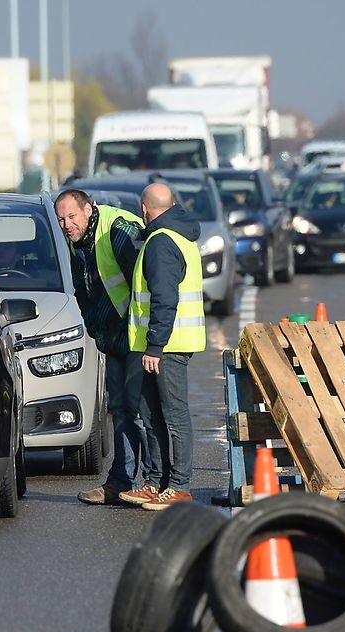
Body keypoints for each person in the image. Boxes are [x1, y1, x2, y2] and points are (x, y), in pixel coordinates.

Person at [55, 188, 150, 505]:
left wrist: (152, 338)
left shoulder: (118, 229)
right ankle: (120, 482)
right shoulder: (76, 242)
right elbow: (83, 290)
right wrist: (93, 328)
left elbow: (146, 282)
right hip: (113, 337)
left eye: (72, 216)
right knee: (121, 410)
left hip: (139, 335)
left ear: (87, 209)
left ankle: (152, 481)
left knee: (141, 412)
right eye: (61, 219)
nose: (67, 224)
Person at [118, 183, 206, 511]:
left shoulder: (161, 242)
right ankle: (157, 483)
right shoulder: (176, 235)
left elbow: (165, 298)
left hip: (167, 346)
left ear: (144, 209)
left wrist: (155, 345)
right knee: (151, 412)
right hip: (157, 345)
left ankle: (179, 487)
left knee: (172, 413)